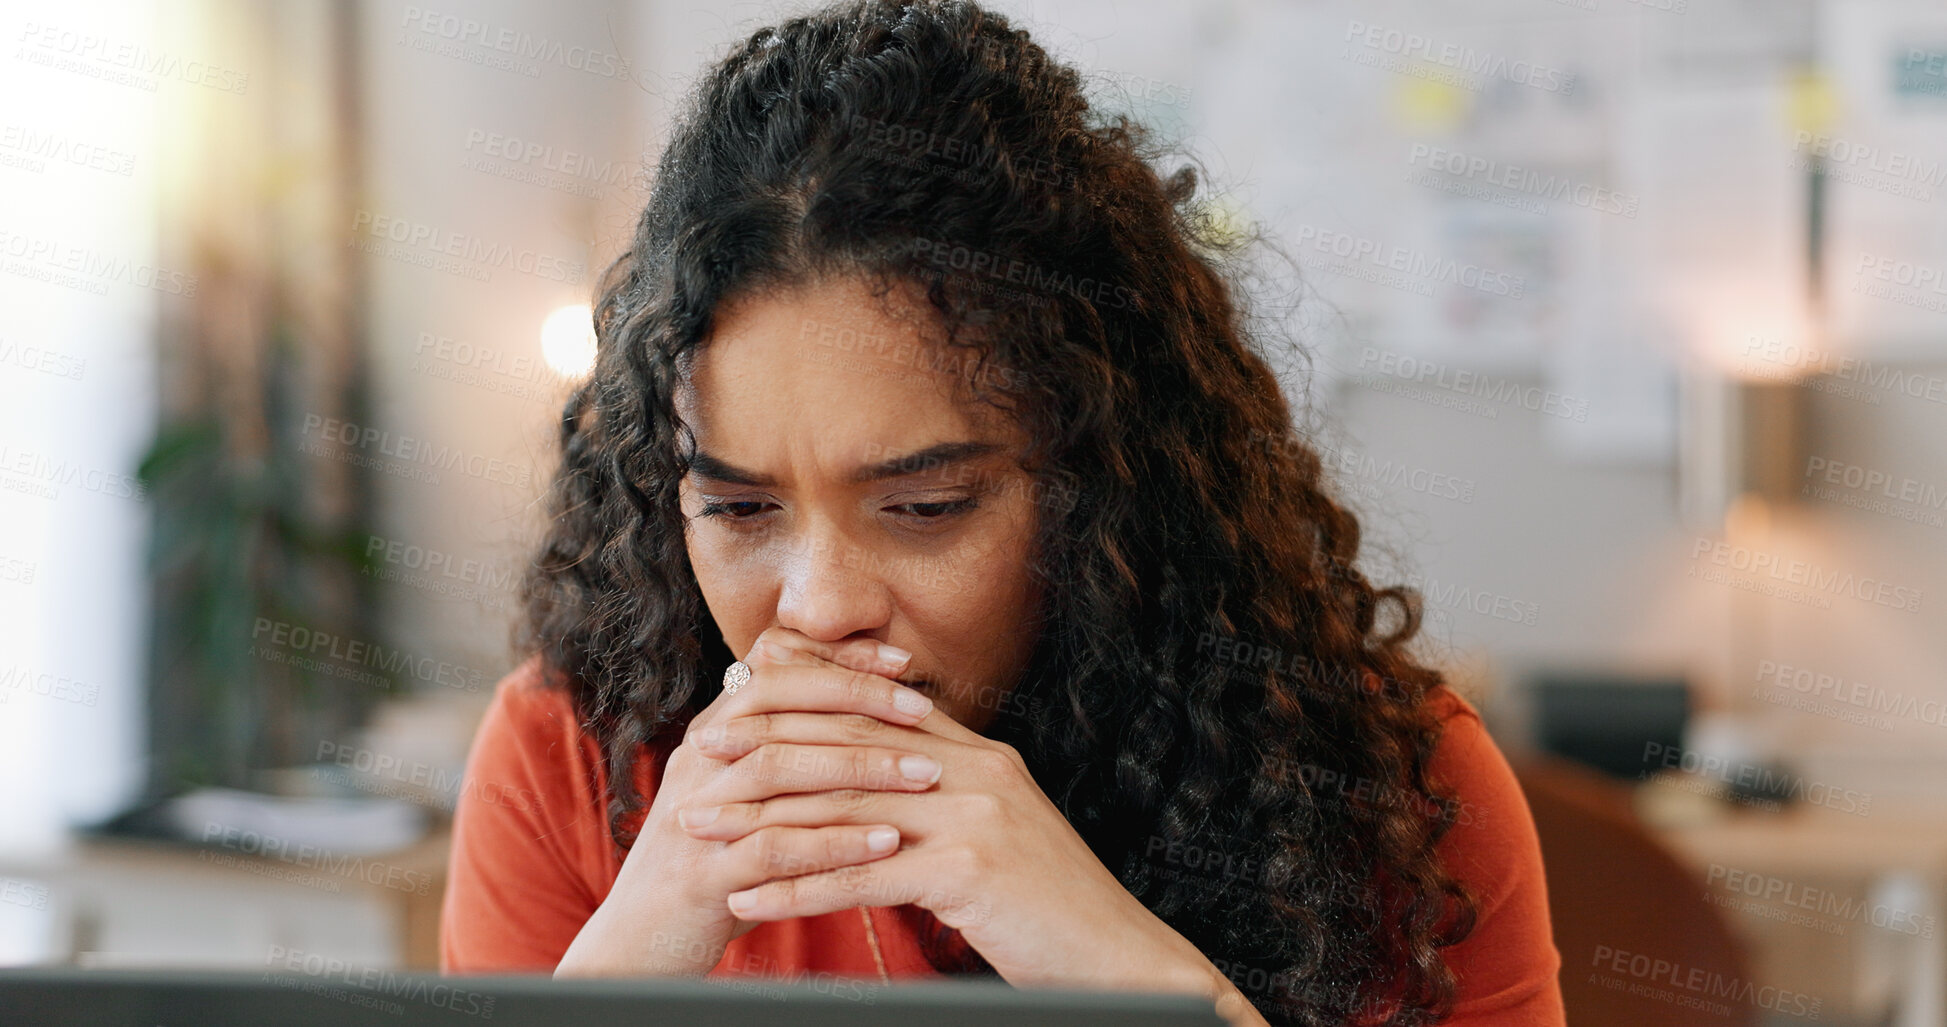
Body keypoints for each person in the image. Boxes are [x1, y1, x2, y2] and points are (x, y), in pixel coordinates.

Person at [439, 2, 1567, 1024]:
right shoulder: (569, 755)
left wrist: (1109, 958)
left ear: (1098, 486)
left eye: (925, 506)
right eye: (738, 508)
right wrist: (644, 942)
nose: (820, 606)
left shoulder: (1386, 790)